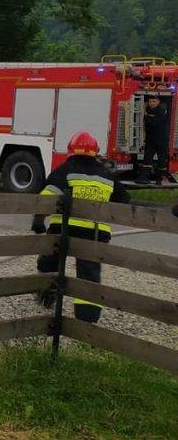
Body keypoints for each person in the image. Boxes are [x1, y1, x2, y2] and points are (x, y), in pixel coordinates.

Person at [31, 131, 129, 323]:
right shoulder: (107, 175)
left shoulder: (66, 169)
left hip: (63, 230)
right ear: (95, 152)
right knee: (89, 276)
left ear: (71, 150)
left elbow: (48, 195)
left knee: (48, 264)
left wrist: (38, 219)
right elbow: (123, 201)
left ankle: (46, 298)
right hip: (94, 234)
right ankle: (87, 321)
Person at [139, 95, 169, 184]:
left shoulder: (162, 111)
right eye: (150, 101)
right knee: (147, 159)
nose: (151, 103)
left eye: (154, 101)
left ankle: (161, 179)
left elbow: (154, 123)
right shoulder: (147, 110)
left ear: (158, 102)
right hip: (150, 140)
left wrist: (147, 117)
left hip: (161, 140)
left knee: (162, 160)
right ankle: (144, 177)